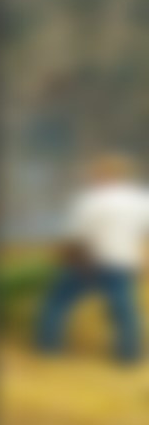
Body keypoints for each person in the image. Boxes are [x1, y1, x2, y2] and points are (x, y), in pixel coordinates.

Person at [35, 155, 147, 365]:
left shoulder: (90, 200)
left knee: (57, 302)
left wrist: (65, 260)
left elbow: (75, 235)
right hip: (124, 261)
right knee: (123, 309)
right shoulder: (138, 200)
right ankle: (129, 354)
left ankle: (48, 347)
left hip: (90, 262)